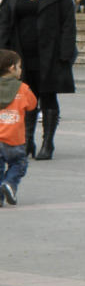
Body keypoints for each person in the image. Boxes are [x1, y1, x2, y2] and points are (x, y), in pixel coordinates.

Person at [0, 0, 77, 161]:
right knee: (26, 98)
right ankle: (27, 140)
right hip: (21, 55)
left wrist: (66, 53)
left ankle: (47, 143)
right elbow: (5, 23)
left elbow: (68, 24)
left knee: (49, 97)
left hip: (50, 54)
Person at [0, 49, 35, 206]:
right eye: (19, 67)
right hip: (15, 139)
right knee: (19, 163)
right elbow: (32, 105)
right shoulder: (23, 89)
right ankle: (10, 184)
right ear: (12, 68)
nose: (21, 70)